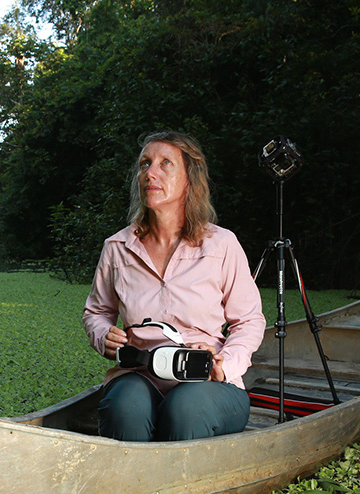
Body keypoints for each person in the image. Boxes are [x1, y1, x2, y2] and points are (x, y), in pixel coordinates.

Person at [82, 131, 266, 441]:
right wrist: (104, 335)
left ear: (189, 181)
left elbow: (249, 321)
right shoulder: (117, 247)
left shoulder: (221, 245)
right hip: (138, 375)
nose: (149, 173)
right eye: (144, 164)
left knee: (185, 408)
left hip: (209, 383)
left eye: (165, 163)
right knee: (125, 407)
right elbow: (96, 312)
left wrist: (225, 363)